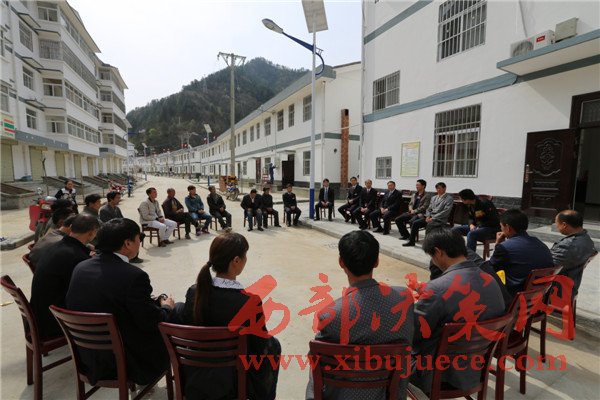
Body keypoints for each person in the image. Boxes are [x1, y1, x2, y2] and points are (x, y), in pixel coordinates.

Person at [66, 218, 180, 386]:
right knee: (177, 313)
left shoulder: (81, 267)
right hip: (126, 362)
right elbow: (150, 322)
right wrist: (167, 307)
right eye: (138, 238)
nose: (139, 243)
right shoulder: (133, 276)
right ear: (127, 243)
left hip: (89, 358)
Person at [306, 230, 414, 400]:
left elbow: (318, 364)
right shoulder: (404, 298)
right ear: (377, 261)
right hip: (388, 395)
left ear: (341, 262)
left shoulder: (331, 315)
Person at [182, 233, 281, 400]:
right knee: (273, 345)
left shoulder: (195, 292)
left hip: (197, 375)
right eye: (245, 256)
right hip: (232, 380)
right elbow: (259, 345)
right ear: (236, 261)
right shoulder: (249, 302)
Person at [412, 229, 505, 394]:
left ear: (439, 252)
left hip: (439, 373)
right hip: (476, 367)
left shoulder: (437, 287)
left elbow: (414, 333)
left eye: (432, 256)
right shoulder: (490, 280)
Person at [30, 214, 99, 339]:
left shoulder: (58, 246)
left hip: (41, 313)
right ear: (92, 233)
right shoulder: (76, 257)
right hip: (54, 321)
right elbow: (84, 294)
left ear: (71, 227)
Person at [489, 209, 554, 297]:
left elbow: (490, 269)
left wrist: (497, 244)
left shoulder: (505, 247)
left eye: (501, 226)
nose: (501, 229)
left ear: (508, 227)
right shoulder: (540, 243)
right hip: (540, 296)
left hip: (515, 297)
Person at [551, 210, 597, 297]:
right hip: (572, 284)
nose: (556, 226)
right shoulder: (587, 239)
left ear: (564, 225)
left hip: (557, 290)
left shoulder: (568, 245)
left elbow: (548, 269)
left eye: (556, 223)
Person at [401, 182, 454, 247]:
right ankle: (411, 241)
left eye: (440, 188)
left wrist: (433, 218)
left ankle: (428, 244)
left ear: (444, 188)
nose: (438, 190)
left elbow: (445, 211)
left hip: (439, 219)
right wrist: (428, 216)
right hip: (429, 217)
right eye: (437, 188)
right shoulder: (434, 197)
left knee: (429, 225)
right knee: (415, 223)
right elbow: (429, 208)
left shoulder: (449, 198)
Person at [100, 191, 143, 263]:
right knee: (130, 238)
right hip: (112, 231)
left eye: (119, 198)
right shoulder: (104, 210)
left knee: (139, 235)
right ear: (111, 199)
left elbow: (122, 219)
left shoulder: (117, 208)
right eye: (117, 198)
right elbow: (107, 224)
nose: (119, 199)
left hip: (120, 229)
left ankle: (133, 255)